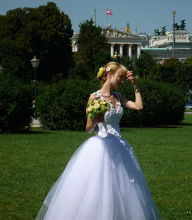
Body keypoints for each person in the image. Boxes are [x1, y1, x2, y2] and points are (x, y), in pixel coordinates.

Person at [35, 62, 161, 220]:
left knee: (123, 188)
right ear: (109, 74)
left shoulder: (118, 97)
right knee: (99, 189)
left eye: (123, 78)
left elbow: (138, 106)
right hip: (100, 147)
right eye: (120, 77)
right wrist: (96, 120)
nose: (122, 81)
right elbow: (88, 129)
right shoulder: (94, 97)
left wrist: (135, 85)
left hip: (120, 147)